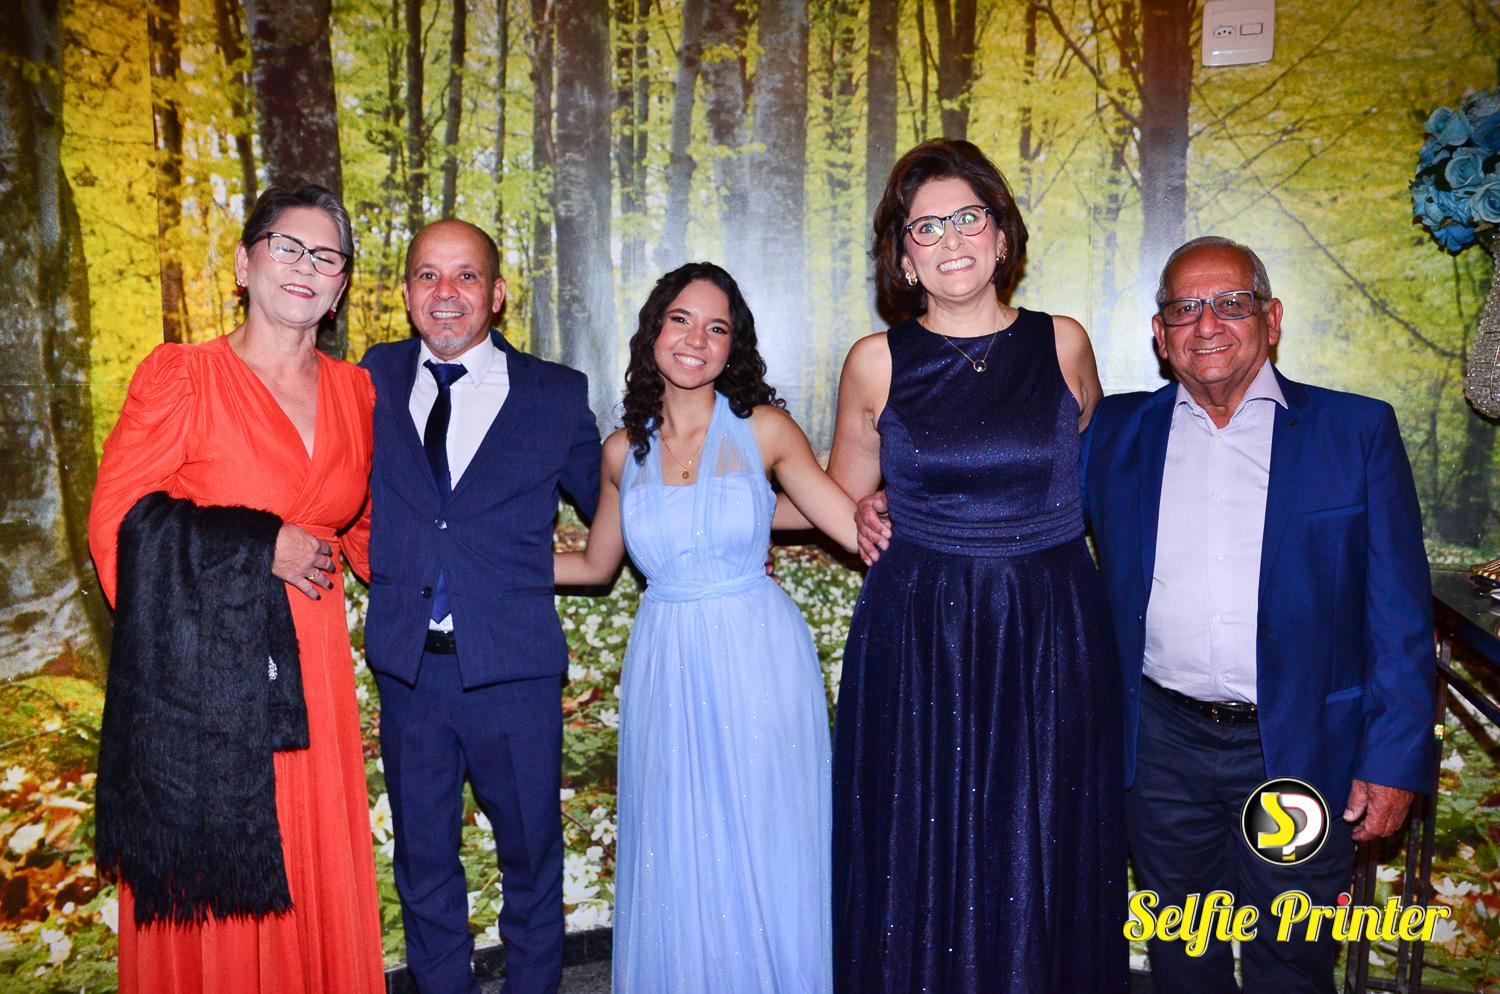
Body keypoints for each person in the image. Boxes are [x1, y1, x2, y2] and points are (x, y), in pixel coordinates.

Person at [1076, 236, 1435, 993]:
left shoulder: (1355, 431)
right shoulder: (1114, 433)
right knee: (1184, 953)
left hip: (1301, 747)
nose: (1207, 324)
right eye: (1185, 309)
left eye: (1230, 304)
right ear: (1160, 333)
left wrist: (1391, 760)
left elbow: (1400, 615)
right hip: (1162, 747)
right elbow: (1014, 509)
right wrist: (894, 503)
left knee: (1292, 959)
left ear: (1270, 319)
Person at [824, 139, 1127, 993]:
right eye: (926, 228)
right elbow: (840, 497)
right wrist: (733, 524)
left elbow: (1094, 469)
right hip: (923, 635)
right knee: (922, 840)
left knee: (1045, 833)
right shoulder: (875, 362)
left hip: (1051, 629)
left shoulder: (1063, 343)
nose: (951, 239)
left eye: (968, 217)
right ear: (904, 257)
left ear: (1001, 235)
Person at [88, 185, 385, 994]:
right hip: (206, 684)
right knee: (224, 894)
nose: (305, 267)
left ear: (341, 286)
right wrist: (258, 546)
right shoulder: (183, 376)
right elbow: (116, 528)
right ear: (246, 264)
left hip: (315, 670)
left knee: (312, 866)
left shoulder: (357, 393)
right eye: (287, 247)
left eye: (326, 257)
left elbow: (371, 532)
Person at [554, 262, 855, 993]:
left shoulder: (766, 431)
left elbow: (849, 525)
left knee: (764, 832)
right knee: (681, 836)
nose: (696, 340)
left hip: (760, 658)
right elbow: (594, 564)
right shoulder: (623, 452)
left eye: (716, 328)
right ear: (654, 331)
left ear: (733, 347)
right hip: (667, 660)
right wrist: (485, 563)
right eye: (681, 320)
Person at [343, 219, 601, 994]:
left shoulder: (556, 394)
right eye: (428, 275)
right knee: (423, 864)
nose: (446, 293)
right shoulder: (372, 378)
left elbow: (620, 505)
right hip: (410, 674)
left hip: (515, 673)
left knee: (531, 858)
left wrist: (735, 521)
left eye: (465, 276)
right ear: (406, 292)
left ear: (497, 293)